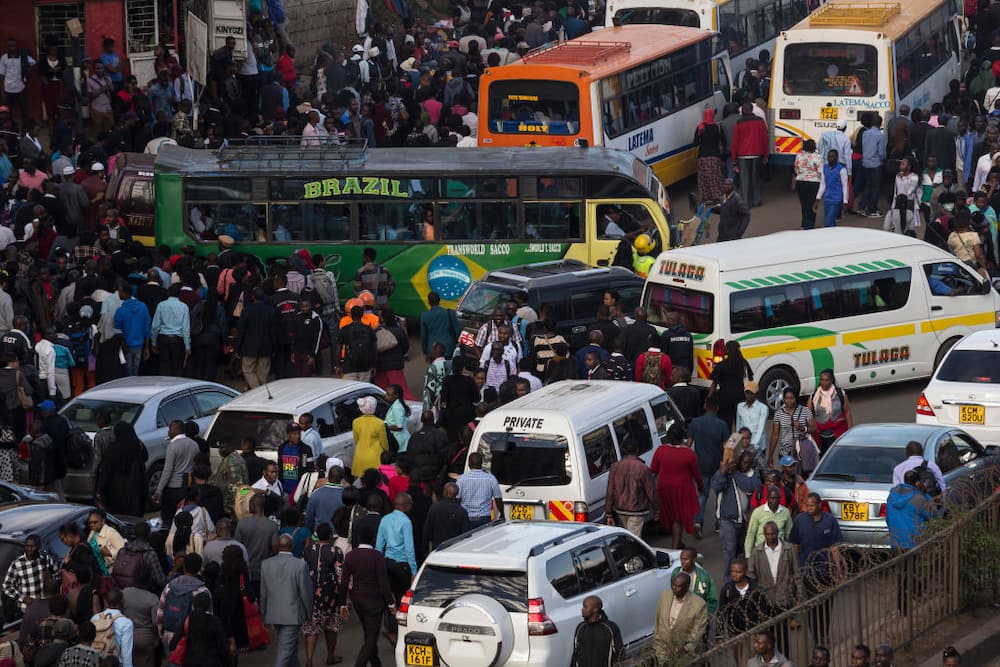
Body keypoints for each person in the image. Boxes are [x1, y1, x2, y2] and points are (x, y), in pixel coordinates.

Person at [788, 492, 844, 646]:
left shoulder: (830, 521)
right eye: (807, 505)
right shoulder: (800, 520)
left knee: (826, 606)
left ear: (819, 505)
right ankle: (816, 637)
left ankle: (824, 634)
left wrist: (838, 569)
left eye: (812, 505)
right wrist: (794, 568)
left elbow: (834, 547)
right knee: (812, 607)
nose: (809, 508)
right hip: (808, 571)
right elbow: (795, 545)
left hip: (826, 572)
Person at [337, 524, 393, 667]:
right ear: (373, 538)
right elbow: (383, 582)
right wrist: (391, 603)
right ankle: (360, 663)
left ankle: (376, 662)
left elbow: (343, 582)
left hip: (358, 600)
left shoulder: (350, 556)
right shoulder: (377, 556)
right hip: (374, 601)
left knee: (368, 632)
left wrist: (342, 603)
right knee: (372, 637)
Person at [747, 521, 801, 650]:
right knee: (767, 635)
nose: (770, 537)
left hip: (783, 597)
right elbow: (751, 574)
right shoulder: (757, 551)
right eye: (767, 534)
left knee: (783, 634)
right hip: (765, 599)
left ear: (777, 533)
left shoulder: (787, 549)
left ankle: (784, 659)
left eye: (773, 534)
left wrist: (799, 593)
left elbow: (796, 572)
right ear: (764, 534)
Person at [261, 534, 313, 667]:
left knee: (290, 646)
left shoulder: (266, 564)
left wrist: (264, 614)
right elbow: (305, 593)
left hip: (274, 613)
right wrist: (309, 614)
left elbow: (263, 593)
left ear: (277, 546)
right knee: (285, 650)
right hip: (292, 614)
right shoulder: (300, 565)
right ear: (292, 546)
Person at [650, 423, 703, 549]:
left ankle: (677, 543)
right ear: (682, 437)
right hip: (681, 490)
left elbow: (653, 469)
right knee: (677, 520)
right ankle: (675, 548)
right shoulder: (689, 454)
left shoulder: (660, 450)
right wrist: (701, 487)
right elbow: (696, 474)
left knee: (672, 518)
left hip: (664, 489)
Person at [712, 452, 761, 579]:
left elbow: (750, 487)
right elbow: (716, 486)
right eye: (743, 462)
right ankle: (729, 581)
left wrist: (735, 474)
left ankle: (741, 578)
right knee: (729, 551)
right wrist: (723, 472)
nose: (745, 465)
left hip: (745, 520)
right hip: (727, 520)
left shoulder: (752, 474)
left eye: (748, 463)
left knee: (742, 551)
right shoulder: (726, 473)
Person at [690, 395, 730, 537]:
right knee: (720, 494)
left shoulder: (695, 423)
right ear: (717, 408)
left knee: (702, 495)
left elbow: (688, 444)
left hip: (700, 465)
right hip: (717, 465)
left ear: (705, 406)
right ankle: (718, 523)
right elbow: (726, 447)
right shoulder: (722, 425)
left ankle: (698, 523)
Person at [604, 437, 657, 537]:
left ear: (623, 450)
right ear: (637, 449)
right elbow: (651, 492)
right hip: (636, 509)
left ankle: (630, 550)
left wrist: (609, 513)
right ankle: (632, 552)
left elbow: (610, 491)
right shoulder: (643, 468)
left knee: (629, 535)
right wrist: (657, 509)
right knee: (633, 538)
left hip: (620, 508)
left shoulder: (615, 467)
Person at [653, 572, 708, 663]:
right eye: (673, 585)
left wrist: (685, 650)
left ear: (687, 587)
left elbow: (697, 632)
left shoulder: (699, 605)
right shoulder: (664, 596)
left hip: (683, 654)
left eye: (678, 586)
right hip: (662, 652)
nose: (674, 588)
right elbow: (658, 622)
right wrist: (658, 647)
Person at [154, 420, 200, 528]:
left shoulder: (172, 446)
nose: (168, 432)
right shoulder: (194, 445)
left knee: (168, 516)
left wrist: (159, 490)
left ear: (177, 430)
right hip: (188, 485)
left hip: (173, 487)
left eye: (170, 429)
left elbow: (167, 470)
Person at [96, 422, 147, 518]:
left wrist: (100, 489)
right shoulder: (138, 446)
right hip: (136, 490)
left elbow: (106, 472)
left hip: (116, 493)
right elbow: (145, 458)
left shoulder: (112, 449)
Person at [233, 495, 278, 597]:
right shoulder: (272, 525)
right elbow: (275, 550)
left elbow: (236, 548)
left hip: (246, 571)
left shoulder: (242, 523)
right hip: (264, 571)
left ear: (253, 505)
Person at [2, 533, 55, 614]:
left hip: (47, 606)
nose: (29, 549)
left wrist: (50, 578)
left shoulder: (46, 559)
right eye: (27, 546)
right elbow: (6, 586)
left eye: (33, 546)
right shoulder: (17, 564)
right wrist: (23, 598)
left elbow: (57, 576)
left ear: (38, 547)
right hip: (27, 610)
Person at [886, 469, 936, 550]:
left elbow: (888, 519)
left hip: (896, 542)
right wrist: (925, 493)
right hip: (915, 543)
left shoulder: (891, 496)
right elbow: (933, 515)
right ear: (917, 482)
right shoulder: (919, 498)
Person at [731, 102, 769, 207]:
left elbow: (735, 142)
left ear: (743, 110)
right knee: (755, 179)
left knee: (744, 180)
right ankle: (756, 200)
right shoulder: (760, 121)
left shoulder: (739, 123)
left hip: (742, 155)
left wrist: (734, 159)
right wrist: (766, 155)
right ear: (752, 110)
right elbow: (765, 139)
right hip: (757, 154)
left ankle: (745, 202)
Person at [768, 389, 816, 471]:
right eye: (786, 398)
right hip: (785, 452)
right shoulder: (778, 413)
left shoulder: (805, 411)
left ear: (796, 398)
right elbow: (775, 435)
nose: (789, 401)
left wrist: (802, 428)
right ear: (783, 399)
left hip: (801, 452)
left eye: (791, 398)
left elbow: (814, 428)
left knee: (802, 476)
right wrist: (770, 456)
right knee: (787, 476)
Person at [807, 369, 852, 454]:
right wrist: (811, 429)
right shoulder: (814, 395)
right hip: (819, 435)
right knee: (823, 458)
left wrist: (849, 432)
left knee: (835, 456)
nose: (824, 382)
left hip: (837, 433)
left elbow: (847, 412)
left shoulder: (840, 393)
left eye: (827, 380)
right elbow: (808, 414)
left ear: (831, 380)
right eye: (822, 380)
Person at [707, 340, 752, 427]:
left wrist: (708, 398)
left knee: (725, 424)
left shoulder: (721, 366)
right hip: (740, 397)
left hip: (724, 399)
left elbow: (714, 385)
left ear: (727, 350)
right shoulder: (743, 364)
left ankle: (726, 440)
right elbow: (748, 381)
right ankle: (738, 440)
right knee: (740, 424)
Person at [570, 595, 623, 667]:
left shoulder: (610, 628)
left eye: (585, 607)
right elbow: (575, 654)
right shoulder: (580, 628)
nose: (582, 609)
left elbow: (619, 653)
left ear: (595, 609)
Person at [457, 451, 503, 528]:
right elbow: (498, 498)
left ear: (469, 464)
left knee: (468, 540)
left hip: (466, 518)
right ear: (481, 463)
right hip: (484, 519)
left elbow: (457, 499)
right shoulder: (491, 478)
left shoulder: (461, 479)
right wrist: (502, 514)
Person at [668, 548, 719, 615]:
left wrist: (706, 616)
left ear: (694, 559)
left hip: (697, 615)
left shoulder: (704, 576)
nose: (682, 562)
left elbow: (712, 599)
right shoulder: (676, 572)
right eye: (681, 559)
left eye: (685, 559)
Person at [90, 587, 134, 666]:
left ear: (106, 601)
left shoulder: (95, 618)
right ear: (122, 601)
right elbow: (126, 653)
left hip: (96, 661)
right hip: (114, 664)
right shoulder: (126, 623)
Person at [422, 482, 469, 554]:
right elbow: (465, 533)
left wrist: (424, 549)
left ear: (444, 492)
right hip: (455, 549)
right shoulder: (462, 511)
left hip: (438, 547)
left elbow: (427, 531)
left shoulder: (435, 508)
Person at [745, 486, 793, 554]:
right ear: (767, 498)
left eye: (777, 498)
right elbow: (751, 534)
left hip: (779, 551)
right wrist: (748, 555)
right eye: (772, 498)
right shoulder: (758, 512)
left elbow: (789, 534)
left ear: (780, 498)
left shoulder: (785, 512)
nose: (774, 500)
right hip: (761, 551)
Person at [351, 396, 388, 477]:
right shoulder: (379, 423)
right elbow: (384, 442)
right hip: (375, 456)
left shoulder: (355, 422)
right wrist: (386, 450)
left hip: (360, 454)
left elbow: (356, 440)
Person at [736, 382, 769, 469]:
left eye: (751, 393)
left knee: (759, 471)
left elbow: (760, 430)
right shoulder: (740, 406)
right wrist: (739, 444)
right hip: (744, 446)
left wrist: (751, 447)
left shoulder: (763, 408)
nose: (749, 395)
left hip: (758, 447)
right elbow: (738, 427)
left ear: (756, 393)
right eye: (747, 393)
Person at [419, 291, 460, 360]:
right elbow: (457, 331)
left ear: (429, 302)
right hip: (448, 348)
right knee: (449, 368)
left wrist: (426, 352)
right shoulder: (450, 313)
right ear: (439, 300)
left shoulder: (424, 316)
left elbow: (423, 337)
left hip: (433, 350)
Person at [815, 149, 849, 226]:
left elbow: (845, 186)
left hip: (836, 199)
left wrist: (845, 201)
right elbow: (823, 184)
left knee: (828, 221)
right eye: (829, 156)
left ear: (836, 157)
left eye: (832, 157)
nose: (830, 158)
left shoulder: (842, 169)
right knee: (831, 220)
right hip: (827, 198)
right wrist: (818, 199)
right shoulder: (825, 168)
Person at [793, 140, 823, 228]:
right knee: (813, 204)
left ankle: (805, 222)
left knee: (804, 204)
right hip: (814, 183)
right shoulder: (817, 157)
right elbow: (820, 171)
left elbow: (796, 169)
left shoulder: (799, 156)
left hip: (800, 182)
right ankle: (810, 224)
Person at [87, 510, 125, 574]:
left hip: (110, 572)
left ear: (103, 521)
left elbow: (123, 550)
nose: (92, 525)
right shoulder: (92, 533)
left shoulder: (111, 532)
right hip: (97, 571)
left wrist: (110, 553)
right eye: (90, 523)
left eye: (95, 522)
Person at [659, 311, 694, 376]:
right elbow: (690, 356)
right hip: (684, 370)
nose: (665, 321)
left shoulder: (666, 335)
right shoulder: (688, 335)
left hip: (671, 370)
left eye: (667, 319)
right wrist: (690, 371)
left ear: (671, 320)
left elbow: (663, 355)